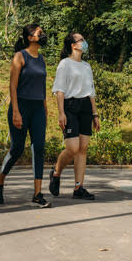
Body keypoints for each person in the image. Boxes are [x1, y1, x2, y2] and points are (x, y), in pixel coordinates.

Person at [0, 24, 51, 208]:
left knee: (39, 148)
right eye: (39, 32)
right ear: (29, 37)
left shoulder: (41, 59)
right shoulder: (20, 56)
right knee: (17, 148)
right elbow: (13, 86)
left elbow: (42, 87)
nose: (43, 35)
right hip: (21, 107)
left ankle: (37, 193)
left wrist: (45, 109)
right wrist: (16, 111)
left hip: (38, 108)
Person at [48, 31, 100, 200]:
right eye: (81, 40)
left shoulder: (86, 66)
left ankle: (79, 188)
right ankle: (56, 172)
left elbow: (91, 92)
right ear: (73, 45)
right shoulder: (65, 64)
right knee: (72, 148)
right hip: (70, 106)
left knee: (83, 148)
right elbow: (60, 91)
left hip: (85, 106)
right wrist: (61, 113)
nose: (84, 42)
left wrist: (95, 114)